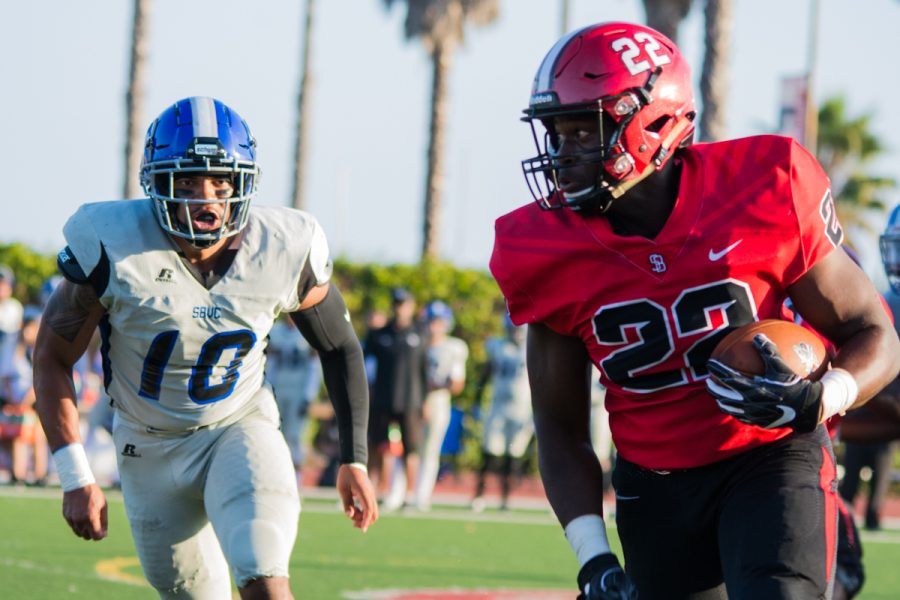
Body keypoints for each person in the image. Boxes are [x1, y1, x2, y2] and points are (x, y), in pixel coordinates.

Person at [489, 22, 900, 600]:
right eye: (557, 134)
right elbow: (558, 428)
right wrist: (592, 559)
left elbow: (872, 331)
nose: (564, 154)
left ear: (653, 123)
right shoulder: (541, 247)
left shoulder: (763, 183)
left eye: (584, 131)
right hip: (653, 487)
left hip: (769, 456)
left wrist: (824, 396)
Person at [33, 96, 377, 600]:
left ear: (244, 185)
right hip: (146, 445)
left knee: (263, 569)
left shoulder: (283, 247)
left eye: (222, 181)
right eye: (188, 181)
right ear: (157, 184)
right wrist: (74, 474)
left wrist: (355, 457)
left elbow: (341, 347)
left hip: (237, 426)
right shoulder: (113, 244)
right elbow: (51, 359)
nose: (207, 198)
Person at [364, 287, 429, 511]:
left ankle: (409, 495)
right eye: (397, 304)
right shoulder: (380, 335)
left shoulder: (420, 334)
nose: (400, 309)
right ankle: (376, 490)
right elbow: (367, 366)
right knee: (379, 446)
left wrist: (425, 401)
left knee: (411, 450)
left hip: (411, 401)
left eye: (404, 304)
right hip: (383, 399)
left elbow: (424, 370)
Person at [470, 315, 533, 512]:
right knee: (490, 452)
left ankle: (506, 498)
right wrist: (477, 401)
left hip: (522, 409)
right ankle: (479, 495)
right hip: (498, 406)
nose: (515, 333)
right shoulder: (497, 347)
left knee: (513, 455)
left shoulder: (531, 349)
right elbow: (485, 376)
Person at [413, 300, 468, 511]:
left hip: (438, 400)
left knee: (430, 449)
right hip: (415, 399)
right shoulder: (418, 342)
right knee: (409, 447)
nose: (434, 326)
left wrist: (433, 386)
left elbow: (456, 384)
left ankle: (422, 496)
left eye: (438, 321)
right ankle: (401, 491)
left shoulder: (454, 347)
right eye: (431, 321)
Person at [266, 313, 322, 486]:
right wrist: (267, 388)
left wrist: (309, 395)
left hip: (298, 391)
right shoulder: (275, 331)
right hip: (279, 388)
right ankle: (275, 479)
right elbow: (270, 363)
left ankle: (295, 481)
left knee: (295, 436)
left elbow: (314, 367)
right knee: (274, 435)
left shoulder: (308, 332)